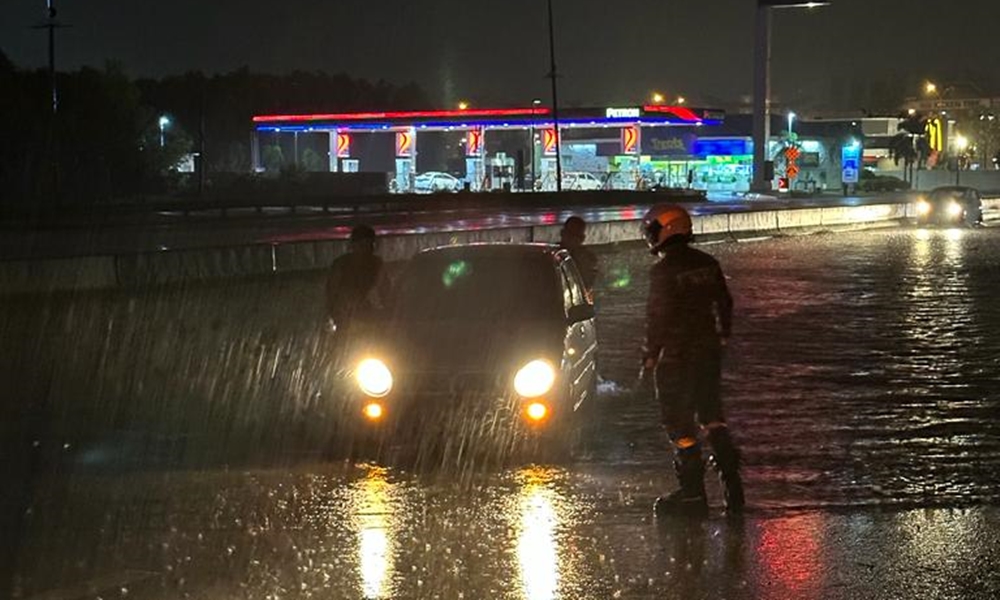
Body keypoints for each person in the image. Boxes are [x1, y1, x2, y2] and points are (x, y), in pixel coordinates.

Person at [640, 204, 744, 516]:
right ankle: (734, 490)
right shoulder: (708, 263)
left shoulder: (663, 272)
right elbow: (725, 302)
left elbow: (657, 318)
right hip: (708, 353)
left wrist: (649, 356)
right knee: (713, 417)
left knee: (679, 424)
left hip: (677, 356)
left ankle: (692, 495)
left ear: (665, 231)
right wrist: (723, 335)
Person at [325, 225, 385, 334]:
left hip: (370, 320)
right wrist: (337, 315)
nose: (366, 250)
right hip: (347, 322)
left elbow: (384, 290)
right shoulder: (341, 265)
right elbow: (332, 293)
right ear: (354, 246)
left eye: (370, 245)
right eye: (362, 245)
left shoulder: (377, 263)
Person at [558, 216, 599, 299]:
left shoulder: (588, 259)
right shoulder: (553, 254)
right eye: (569, 235)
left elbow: (587, 284)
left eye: (575, 237)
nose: (572, 240)